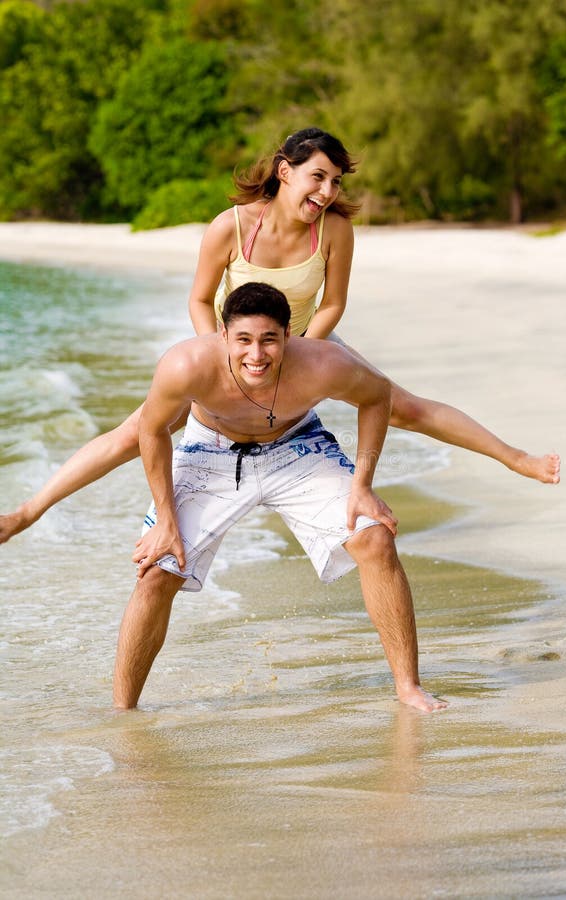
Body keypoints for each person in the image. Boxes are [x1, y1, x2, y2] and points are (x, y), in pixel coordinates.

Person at [0, 127, 560, 544]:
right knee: (138, 429)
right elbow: (199, 298)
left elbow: (334, 300)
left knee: (399, 404)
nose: (326, 190)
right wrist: (215, 353)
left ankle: (516, 459)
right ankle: (28, 511)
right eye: (318, 176)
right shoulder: (235, 225)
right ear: (285, 171)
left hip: (306, 339)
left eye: (335, 181)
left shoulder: (335, 229)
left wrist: (306, 350)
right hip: (233, 347)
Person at [115, 282, 447, 713]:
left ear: (288, 335)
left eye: (269, 340)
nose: (257, 354)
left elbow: (378, 396)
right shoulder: (185, 364)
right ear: (223, 335)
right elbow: (151, 429)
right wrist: (165, 519)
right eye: (245, 340)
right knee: (157, 572)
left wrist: (362, 486)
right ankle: (123, 712)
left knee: (375, 538)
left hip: (297, 447)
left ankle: (408, 688)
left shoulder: (325, 362)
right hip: (210, 452)